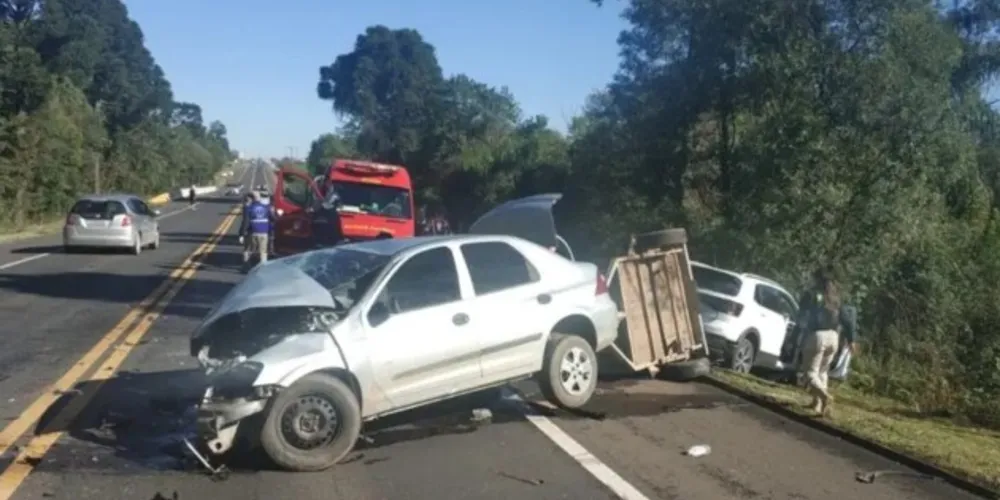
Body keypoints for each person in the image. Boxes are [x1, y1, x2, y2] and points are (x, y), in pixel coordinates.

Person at [795, 266, 856, 416]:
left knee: (810, 373)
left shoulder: (811, 295)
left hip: (817, 336)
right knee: (823, 372)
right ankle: (818, 405)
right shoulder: (835, 298)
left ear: (816, 279)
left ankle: (824, 396)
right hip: (833, 337)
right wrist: (851, 340)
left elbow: (802, 316)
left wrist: (796, 335)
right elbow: (847, 321)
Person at [238, 191, 274, 272]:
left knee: (249, 250)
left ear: (252, 198)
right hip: (264, 232)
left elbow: (246, 222)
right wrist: (270, 230)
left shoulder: (249, 208)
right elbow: (272, 219)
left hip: (253, 232)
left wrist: (242, 234)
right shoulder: (266, 207)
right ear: (259, 198)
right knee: (263, 251)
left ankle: (246, 268)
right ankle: (263, 269)